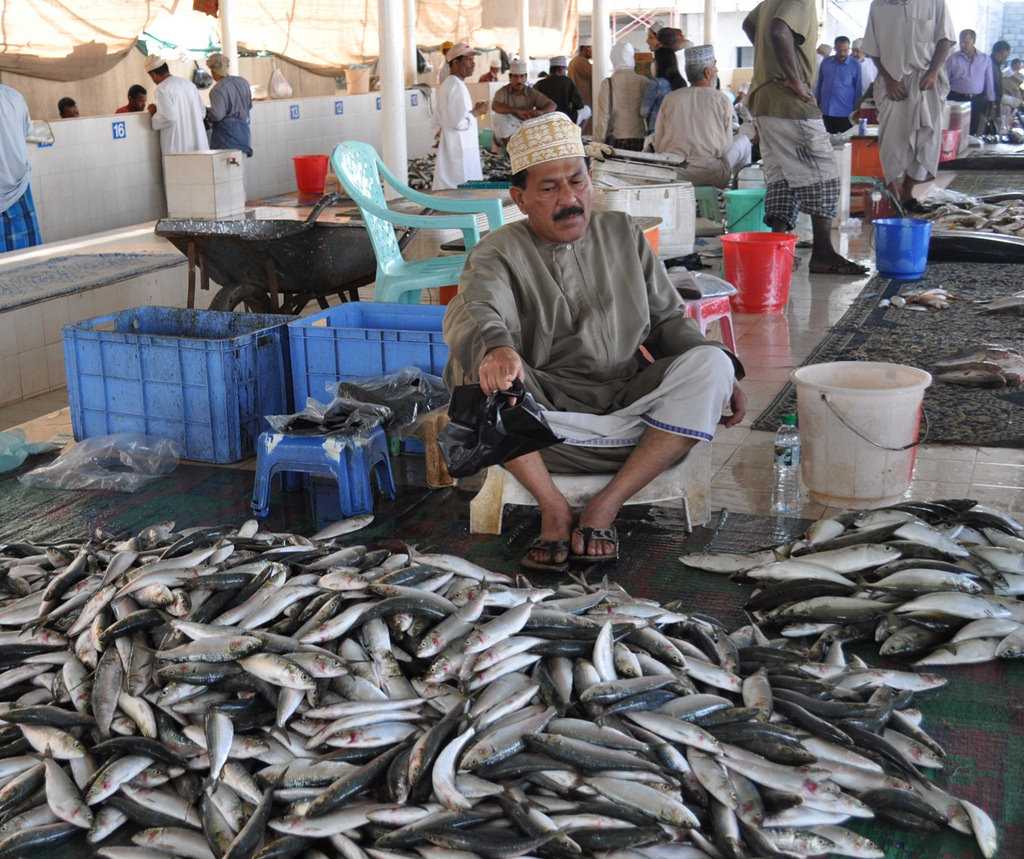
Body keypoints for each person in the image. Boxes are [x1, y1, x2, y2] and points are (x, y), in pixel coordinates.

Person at [442, 113, 745, 571]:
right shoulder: (498, 251)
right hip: (542, 426)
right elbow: (481, 306)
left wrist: (718, 372)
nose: (569, 200)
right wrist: (497, 349)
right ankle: (553, 506)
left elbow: (666, 321)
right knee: (475, 358)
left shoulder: (623, 234)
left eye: (577, 181)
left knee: (712, 363)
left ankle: (607, 505)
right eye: (549, 189)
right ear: (519, 198)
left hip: (633, 414)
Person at [742, 1, 867, 275]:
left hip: (764, 100)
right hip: (789, 101)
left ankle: (779, 248)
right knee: (823, 175)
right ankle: (823, 253)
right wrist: (795, 78)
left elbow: (750, 24)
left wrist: (769, 62)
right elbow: (778, 30)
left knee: (782, 176)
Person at [863, 0, 955, 210]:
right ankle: (895, 197)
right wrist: (889, 80)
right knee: (892, 145)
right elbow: (873, 50)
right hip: (891, 83)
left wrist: (933, 72)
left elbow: (946, 40)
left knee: (926, 142)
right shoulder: (878, 5)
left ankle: (907, 194)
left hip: (926, 82)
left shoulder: (934, 2)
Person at [654, 45, 752, 188]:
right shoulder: (721, 99)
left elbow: (658, 141)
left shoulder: (671, 98)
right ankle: (740, 195)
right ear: (707, 73)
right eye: (715, 66)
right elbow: (726, 145)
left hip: (675, 174)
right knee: (744, 141)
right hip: (711, 175)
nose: (717, 70)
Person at [433, 43, 486, 191]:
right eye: (469, 59)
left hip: (453, 146)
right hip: (459, 148)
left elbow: (440, 120)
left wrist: (473, 111)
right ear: (456, 62)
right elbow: (459, 123)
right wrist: (477, 112)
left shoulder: (448, 85)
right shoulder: (456, 86)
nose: (473, 64)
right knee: (461, 186)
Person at [0, 84, 41, 251]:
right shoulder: (14, 96)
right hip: (18, 191)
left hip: (18, 191)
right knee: (27, 263)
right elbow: (25, 132)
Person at [145, 55, 208, 155]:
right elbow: (202, 112)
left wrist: (154, 114)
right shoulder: (189, 84)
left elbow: (169, 118)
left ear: (153, 75)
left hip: (178, 147)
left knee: (179, 170)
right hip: (198, 143)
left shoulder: (162, 89)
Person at [595, 42, 648, 150]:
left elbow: (603, 117)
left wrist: (597, 143)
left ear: (613, 59)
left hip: (618, 139)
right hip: (642, 139)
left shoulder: (608, 83)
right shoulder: (644, 81)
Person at [491, 59, 556, 146]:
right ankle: (509, 148)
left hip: (527, 124)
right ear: (510, 77)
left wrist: (541, 112)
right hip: (510, 127)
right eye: (515, 77)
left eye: (522, 76)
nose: (519, 80)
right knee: (498, 117)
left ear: (526, 77)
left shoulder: (531, 92)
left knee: (549, 117)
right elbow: (495, 106)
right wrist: (515, 111)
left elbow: (552, 105)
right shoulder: (502, 91)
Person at [945, 29, 995, 136]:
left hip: (977, 100)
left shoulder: (985, 59)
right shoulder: (952, 59)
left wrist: (991, 101)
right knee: (955, 128)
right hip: (956, 98)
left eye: (966, 42)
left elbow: (989, 81)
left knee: (973, 129)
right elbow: (945, 80)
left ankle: (971, 151)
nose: (962, 45)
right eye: (961, 42)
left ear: (974, 41)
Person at [205, 53, 253, 157]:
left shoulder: (217, 90)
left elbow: (217, 115)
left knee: (225, 170)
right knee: (238, 169)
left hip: (226, 138)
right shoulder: (243, 82)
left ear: (213, 71)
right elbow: (249, 105)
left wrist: (207, 112)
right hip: (244, 133)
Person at [815, 36, 861, 132]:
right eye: (839, 50)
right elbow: (820, 84)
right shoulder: (826, 62)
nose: (842, 53)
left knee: (843, 143)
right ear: (835, 48)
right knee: (825, 142)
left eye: (845, 50)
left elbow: (858, 89)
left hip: (845, 113)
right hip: (825, 111)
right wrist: (816, 103)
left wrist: (856, 110)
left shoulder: (855, 65)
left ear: (849, 49)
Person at [642, 46, 686, 134]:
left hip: (657, 129)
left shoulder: (656, 83)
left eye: (654, 60)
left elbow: (643, 111)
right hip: (678, 129)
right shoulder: (682, 82)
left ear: (660, 63)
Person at [534, 57, 585, 124]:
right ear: (560, 69)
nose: (565, 72)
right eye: (565, 69)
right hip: (565, 117)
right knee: (587, 110)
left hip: (544, 119)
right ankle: (578, 132)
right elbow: (579, 105)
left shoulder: (539, 83)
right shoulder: (567, 82)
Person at [988, 40, 1012, 134]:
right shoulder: (989, 65)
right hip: (988, 105)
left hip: (994, 104)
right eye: (1004, 56)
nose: (1005, 59)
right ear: (997, 52)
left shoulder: (996, 66)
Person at [569, 39, 594, 126]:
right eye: (592, 48)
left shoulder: (574, 61)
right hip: (584, 101)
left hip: (579, 100)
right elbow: (596, 75)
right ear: (586, 48)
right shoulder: (581, 62)